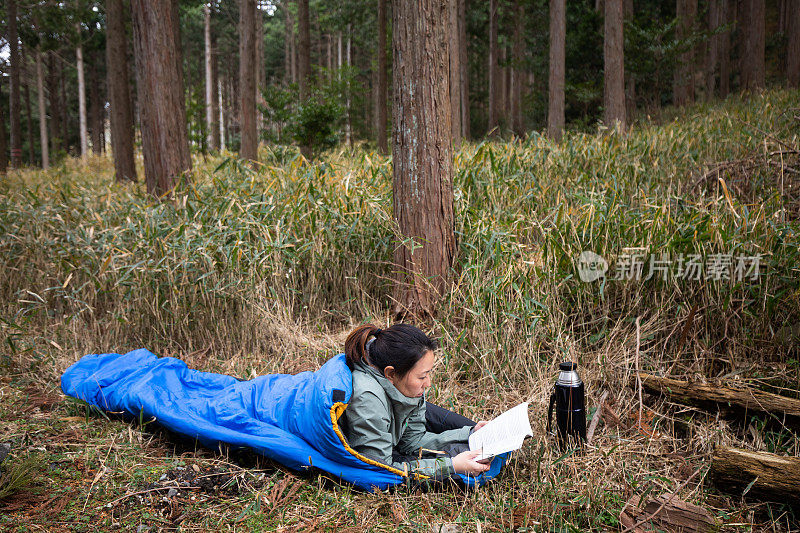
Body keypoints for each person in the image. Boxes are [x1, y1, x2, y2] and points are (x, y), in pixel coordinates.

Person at [340, 323, 491, 481]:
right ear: (391, 373)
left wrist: (469, 432)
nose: (428, 383)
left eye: (428, 373)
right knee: (454, 476)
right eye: (422, 376)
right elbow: (381, 470)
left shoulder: (404, 383)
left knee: (471, 445)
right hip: (376, 459)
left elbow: (412, 441)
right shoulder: (367, 399)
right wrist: (452, 465)